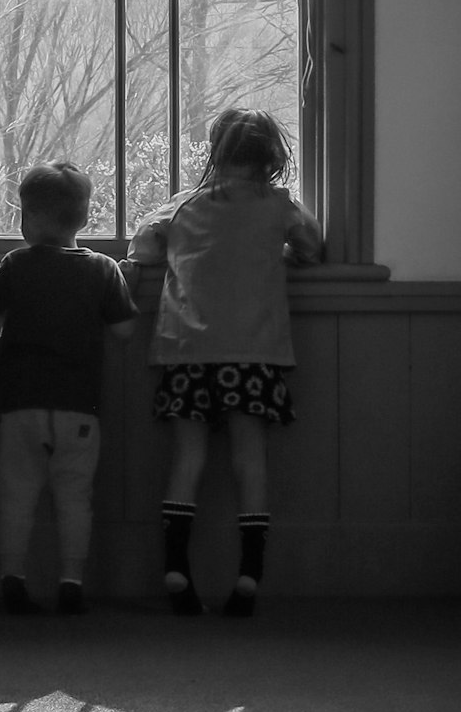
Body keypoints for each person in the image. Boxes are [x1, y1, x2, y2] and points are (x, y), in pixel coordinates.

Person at [126, 109, 322, 617]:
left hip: (186, 351)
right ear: (271, 158)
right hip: (252, 354)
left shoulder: (183, 205)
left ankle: (175, 567)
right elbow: (311, 245)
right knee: (248, 460)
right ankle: (249, 575)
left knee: (187, 459)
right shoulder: (280, 206)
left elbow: (143, 247)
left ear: (216, 153)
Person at [0, 161, 137, 615]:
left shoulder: (15, 264)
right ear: (84, 218)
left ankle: (12, 576)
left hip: (20, 402)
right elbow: (123, 333)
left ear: (29, 218)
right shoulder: (103, 269)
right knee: (74, 495)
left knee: (17, 493)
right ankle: (71, 580)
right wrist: (131, 285)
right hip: (78, 406)